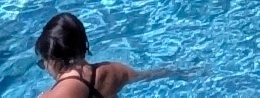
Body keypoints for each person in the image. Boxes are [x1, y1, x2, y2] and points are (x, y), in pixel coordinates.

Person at [34, 17, 177, 98]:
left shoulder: (62, 91)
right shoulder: (115, 70)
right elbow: (148, 75)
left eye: (42, 62)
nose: (45, 68)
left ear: (53, 60)